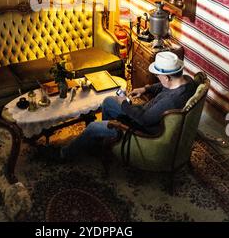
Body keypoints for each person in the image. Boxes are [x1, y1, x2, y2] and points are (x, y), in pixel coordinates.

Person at [46, 51, 197, 162]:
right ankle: (103, 140)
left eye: (158, 75)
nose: (157, 77)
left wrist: (123, 102)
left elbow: (143, 120)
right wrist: (146, 89)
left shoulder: (170, 101)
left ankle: (64, 154)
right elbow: (163, 86)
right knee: (108, 101)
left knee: (93, 126)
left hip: (141, 129)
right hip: (145, 113)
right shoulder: (187, 81)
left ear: (167, 77)